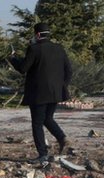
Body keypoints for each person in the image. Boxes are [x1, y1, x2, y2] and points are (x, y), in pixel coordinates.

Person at [10, 22, 72, 165]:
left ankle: (42, 154)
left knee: (37, 123)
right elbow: (69, 70)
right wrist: (62, 86)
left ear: (37, 34)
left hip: (38, 93)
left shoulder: (34, 49)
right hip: (55, 92)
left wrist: (14, 59)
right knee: (48, 118)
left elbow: (24, 68)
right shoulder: (59, 48)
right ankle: (62, 138)